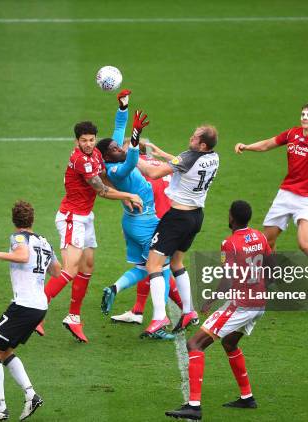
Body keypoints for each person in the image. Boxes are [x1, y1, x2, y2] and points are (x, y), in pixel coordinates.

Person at [165, 200, 273, 420]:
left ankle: (193, 406)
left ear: (232, 217)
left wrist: (210, 300)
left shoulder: (229, 243)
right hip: (259, 303)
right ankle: (247, 397)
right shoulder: (260, 236)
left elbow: (228, 279)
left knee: (194, 343)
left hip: (241, 305)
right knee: (229, 342)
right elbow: (270, 265)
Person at [42, 114, 143, 343]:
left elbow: (104, 178)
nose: (88, 144)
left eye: (91, 139)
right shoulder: (81, 160)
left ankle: (74, 317)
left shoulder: (96, 153)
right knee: (71, 269)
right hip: (72, 218)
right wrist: (127, 194)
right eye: (84, 140)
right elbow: (101, 190)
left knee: (87, 267)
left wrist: (123, 198)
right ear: (77, 141)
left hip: (86, 217)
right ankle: (37, 309)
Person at [234, 102, 308, 291]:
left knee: (305, 244)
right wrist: (246, 146)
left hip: (305, 200)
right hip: (285, 195)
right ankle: (271, 276)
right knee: (267, 241)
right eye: (303, 114)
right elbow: (267, 144)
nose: (305, 118)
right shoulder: (292, 134)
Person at [96, 105, 178, 339]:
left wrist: (123, 107)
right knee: (161, 269)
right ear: (107, 157)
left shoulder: (111, 160)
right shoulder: (116, 171)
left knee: (143, 267)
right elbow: (132, 160)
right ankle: (158, 323)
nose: (117, 147)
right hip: (145, 223)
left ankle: (114, 288)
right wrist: (135, 137)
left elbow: (118, 128)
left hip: (131, 223)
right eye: (113, 148)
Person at [0, 200, 61, 422]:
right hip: (39, 307)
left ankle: (0, 408)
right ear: (32, 219)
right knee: (4, 352)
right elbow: (57, 271)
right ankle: (31, 395)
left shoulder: (18, 238)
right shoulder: (44, 242)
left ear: (14, 221)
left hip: (24, 306)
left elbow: (22, 256)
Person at [139, 126, 220, 337]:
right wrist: (164, 154)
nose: (190, 137)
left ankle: (159, 318)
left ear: (202, 144)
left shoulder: (189, 157)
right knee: (176, 262)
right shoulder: (213, 156)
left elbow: (153, 173)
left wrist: (129, 155)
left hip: (177, 218)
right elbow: (187, 162)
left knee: (153, 265)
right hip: (196, 217)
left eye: (194, 137)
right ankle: (189, 311)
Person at [110, 142, 183, 325]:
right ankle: (139, 311)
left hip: (155, 222)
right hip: (174, 218)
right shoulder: (157, 164)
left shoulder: (136, 167)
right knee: (152, 264)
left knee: (156, 267)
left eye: (122, 149)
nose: (120, 151)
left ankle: (180, 313)